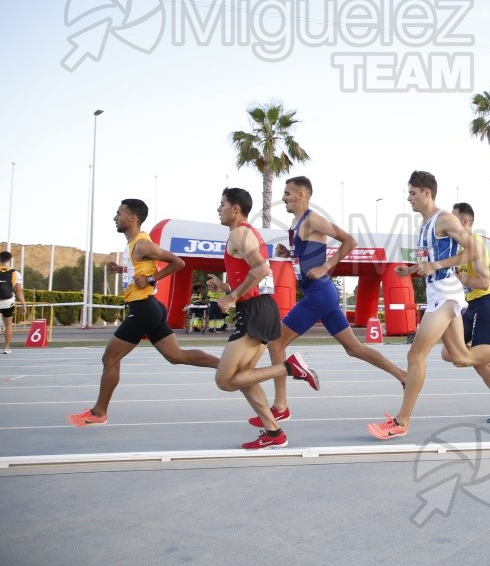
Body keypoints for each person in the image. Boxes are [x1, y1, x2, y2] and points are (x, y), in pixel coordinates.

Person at [367, 171, 490, 440]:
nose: (409, 198)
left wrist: (436, 266)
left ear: (427, 192)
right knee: (460, 357)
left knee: (415, 356)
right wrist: (417, 269)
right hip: (438, 293)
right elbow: (435, 260)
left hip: (447, 295)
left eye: (412, 193)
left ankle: (400, 422)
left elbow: (473, 250)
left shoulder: (444, 219)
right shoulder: (425, 225)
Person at [244, 175, 406, 429]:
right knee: (354, 349)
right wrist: (290, 254)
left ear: (301, 194)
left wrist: (327, 266)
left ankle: (280, 407)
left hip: (319, 293)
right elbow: (307, 254)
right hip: (321, 294)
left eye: (287, 193)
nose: (284, 197)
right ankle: (403, 376)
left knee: (276, 343)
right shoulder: (296, 224)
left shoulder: (313, 219)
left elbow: (349, 240)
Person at [66, 199, 220, 427]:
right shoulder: (133, 245)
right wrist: (122, 270)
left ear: (132, 218)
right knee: (176, 356)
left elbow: (178, 262)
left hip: (144, 309)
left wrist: (150, 279)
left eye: (118, 213)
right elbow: (141, 268)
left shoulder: (142, 244)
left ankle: (99, 413)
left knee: (110, 358)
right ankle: (226, 365)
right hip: (150, 308)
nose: (115, 217)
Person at [205, 187, 317, 450]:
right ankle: (274, 432)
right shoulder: (248, 234)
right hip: (260, 306)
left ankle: (290, 368)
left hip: (254, 310)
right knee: (245, 377)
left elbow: (262, 268)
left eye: (222, 204)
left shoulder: (239, 232)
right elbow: (255, 275)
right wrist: (225, 289)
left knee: (224, 380)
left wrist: (232, 297)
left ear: (235, 208)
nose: (218, 209)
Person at [439, 202, 490, 424]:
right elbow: (488, 270)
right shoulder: (461, 249)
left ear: (465, 222)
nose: (449, 226)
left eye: (454, 221)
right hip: (471, 306)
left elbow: (484, 282)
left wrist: (462, 279)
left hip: (486, 304)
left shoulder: (476, 245)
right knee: (450, 354)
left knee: (477, 361)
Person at [0, 250, 27, 354]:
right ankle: (6, 348)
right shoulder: (15, 273)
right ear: (9, 260)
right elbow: (18, 291)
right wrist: (23, 304)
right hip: (7, 302)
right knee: (8, 325)